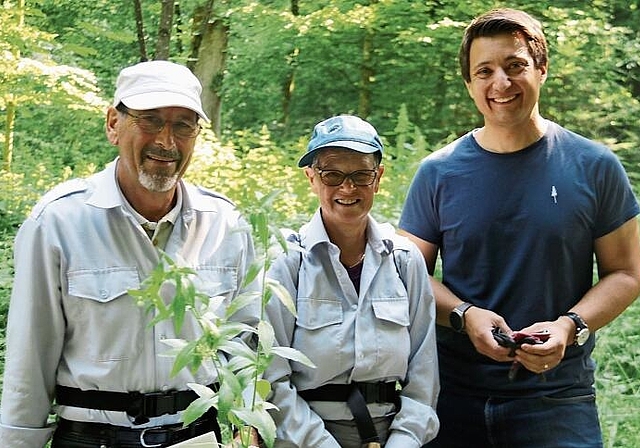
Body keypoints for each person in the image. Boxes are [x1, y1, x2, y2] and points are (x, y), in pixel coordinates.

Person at [399, 8, 640, 448]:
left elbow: (626, 273)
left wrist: (570, 326)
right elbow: (408, 273)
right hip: (452, 396)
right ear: (470, 85)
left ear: (541, 69)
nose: (501, 84)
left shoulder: (594, 166)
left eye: (515, 66)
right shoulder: (438, 172)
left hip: (559, 399)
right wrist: (465, 315)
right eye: (484, 71)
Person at [0, 60, 259, 448]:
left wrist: (247, 424)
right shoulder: (59, 223)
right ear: (113, 124)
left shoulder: (225, 224)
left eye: (183, 125)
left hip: (199, 437)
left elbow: (245, 345)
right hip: (93, 438)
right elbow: (29, 363)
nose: (167, 142)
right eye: (150, 120)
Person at [264, 115, 439, 448]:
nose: (348, 187)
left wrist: (404, 441)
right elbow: (272, 376)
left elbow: (424, 373)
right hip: (306, 438)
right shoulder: (288, 261)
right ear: (311, 178)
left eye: (361, 175)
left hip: (392, 435)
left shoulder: (404, 260)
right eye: (332, 174)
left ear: (378, 179)